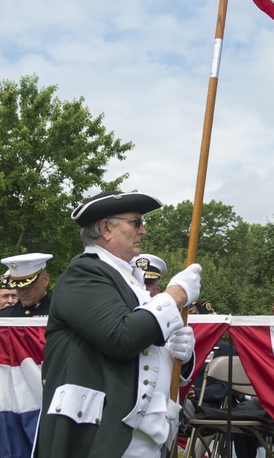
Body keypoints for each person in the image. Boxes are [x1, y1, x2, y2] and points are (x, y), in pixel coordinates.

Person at [33, 191, 202, 458]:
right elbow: (121, 338)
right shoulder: (83, 274)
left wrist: (179, 354)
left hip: (143, 437)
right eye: (135, 222)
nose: (143, 231)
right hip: (99, 438)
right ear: (105, 228)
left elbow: (145, 349)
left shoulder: (130, 280)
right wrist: (176, 295)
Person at [0, 253, 52, 317]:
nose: (22, 291)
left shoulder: (60, 313)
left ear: (45, 280)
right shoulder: (3, 317)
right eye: (18, 286)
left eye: (28, 285)